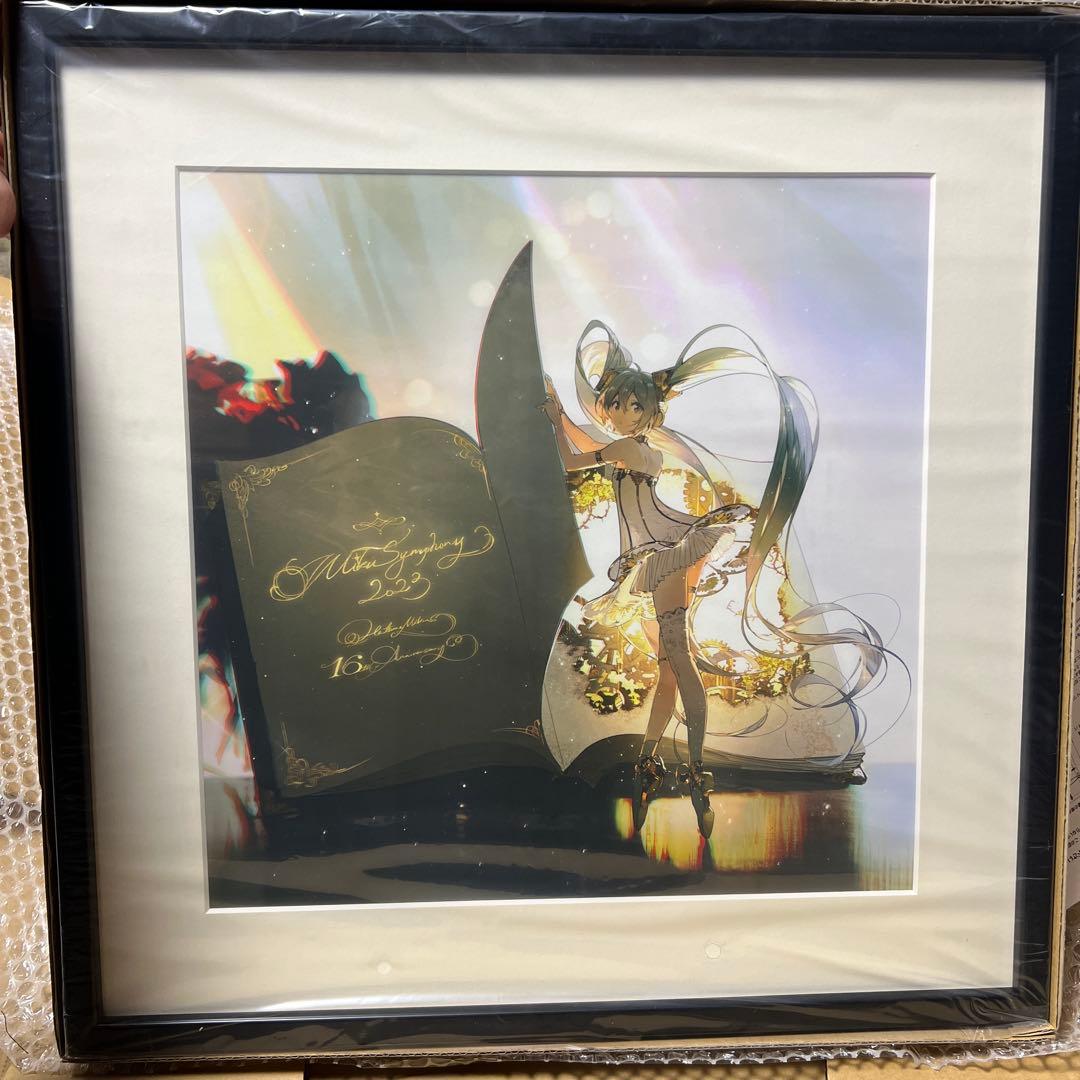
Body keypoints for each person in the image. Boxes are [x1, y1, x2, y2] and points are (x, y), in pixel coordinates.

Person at [541, 320, 891, 839]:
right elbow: (585, 446)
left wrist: (555, 416)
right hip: (656, 556)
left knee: (679, 663)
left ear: (649, 411)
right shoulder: (630, 449)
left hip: (667, 554)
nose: (622, 413)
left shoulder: (632, 450)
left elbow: (573, 458)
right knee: (668, 669)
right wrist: (561, 415)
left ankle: (694, 769)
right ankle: (652, 762)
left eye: (633, 406)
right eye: (616, 404)